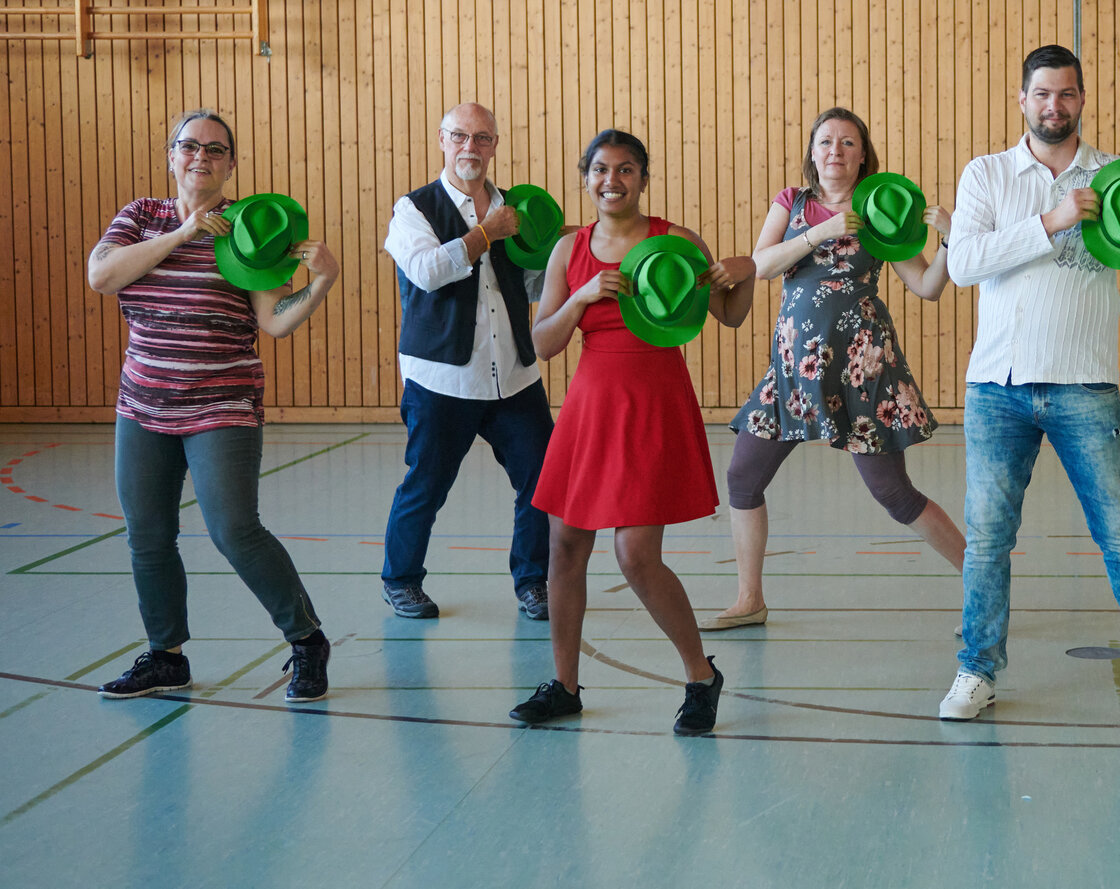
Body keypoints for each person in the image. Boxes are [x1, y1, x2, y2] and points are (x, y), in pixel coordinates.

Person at [937, 45, 1120, 721]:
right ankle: (976, 670)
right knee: (989, 536)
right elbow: (966, 262)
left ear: (1082, 99)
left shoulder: (1119, 177)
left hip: (1085, 383)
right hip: (997, 386)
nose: (1053, 106)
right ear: (1021, 99)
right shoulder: (988, 174)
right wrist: (1050, 222)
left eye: (1065, 94)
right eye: (1041, 94)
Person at [85, 108, 339, 703]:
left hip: (222, 404)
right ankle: (165, 655)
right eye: (189, 146)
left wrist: (320, 283)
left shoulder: (251, 225)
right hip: (143, 403)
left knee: (234, 530)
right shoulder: (141, 217)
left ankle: (306, 640)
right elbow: (101, 276)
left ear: (230, 162)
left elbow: (273, 321)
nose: (201, 157)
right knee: (148, 534)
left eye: (216, 149)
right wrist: (182, 234)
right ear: (171, 155)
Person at [507, 129, 756, 734]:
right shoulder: (570, 251)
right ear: (584, 177)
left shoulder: (676, 241)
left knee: (635, 555)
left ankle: (701, 676)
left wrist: (745, 270)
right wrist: (581, 297)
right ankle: (563, 684)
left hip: (654, 401)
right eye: (599, 170)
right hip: (591, 404)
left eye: (625, 170)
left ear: (643, 178)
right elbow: (542, 344)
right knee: (564, 546)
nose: (611, 181)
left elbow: (729, 314)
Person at [703, 107, 965, 632]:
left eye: (848, 143)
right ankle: (749, 597)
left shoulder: (881, 210)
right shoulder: (792, 203)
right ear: (812, 152)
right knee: (742, 477)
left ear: (862, 154)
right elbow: (760, 264)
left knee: (894, 493)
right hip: (795, 370)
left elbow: (928, 286)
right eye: (826, 142)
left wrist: (951, 240)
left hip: (863, 369)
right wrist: (818, 235)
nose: (836, 152)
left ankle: (983, 588)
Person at [380, 102, 554, 621]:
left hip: (515, 374)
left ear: (495, 145)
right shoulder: (412, 209)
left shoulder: (517, 208)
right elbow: (429, 272)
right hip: (441, 378)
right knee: (426, 485)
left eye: (481, 138)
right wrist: (485, 234)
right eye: (459, 137)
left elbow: (531, 284)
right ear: (441, 140)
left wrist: (561, 259)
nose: (469, 148)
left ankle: (533, 581)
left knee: (542, 481)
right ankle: (401, 580)